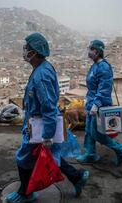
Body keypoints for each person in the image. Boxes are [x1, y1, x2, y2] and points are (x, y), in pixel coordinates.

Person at [5, 33, 89, 203]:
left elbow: (49, 108)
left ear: (34, 52)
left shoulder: (41, 75)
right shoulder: (42, 67)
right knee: (46, 156)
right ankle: (77, 177)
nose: (24, 51)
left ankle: (25, 193)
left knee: (23, 157)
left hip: (40, 126)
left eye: (27, 48)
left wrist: (48, 136)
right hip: (37, 123)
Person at [76, 40, 122, 166]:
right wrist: (88, 101)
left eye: (91, 49)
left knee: (97, 134)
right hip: (91, 103)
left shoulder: (104, 67)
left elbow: (104, 88)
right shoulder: (94, 66)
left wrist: (96, 104)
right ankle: (90, 154)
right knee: (89, 131)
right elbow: (92, 86)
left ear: (97, 51)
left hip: (100, 106)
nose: (89, 52)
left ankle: (121, 150)